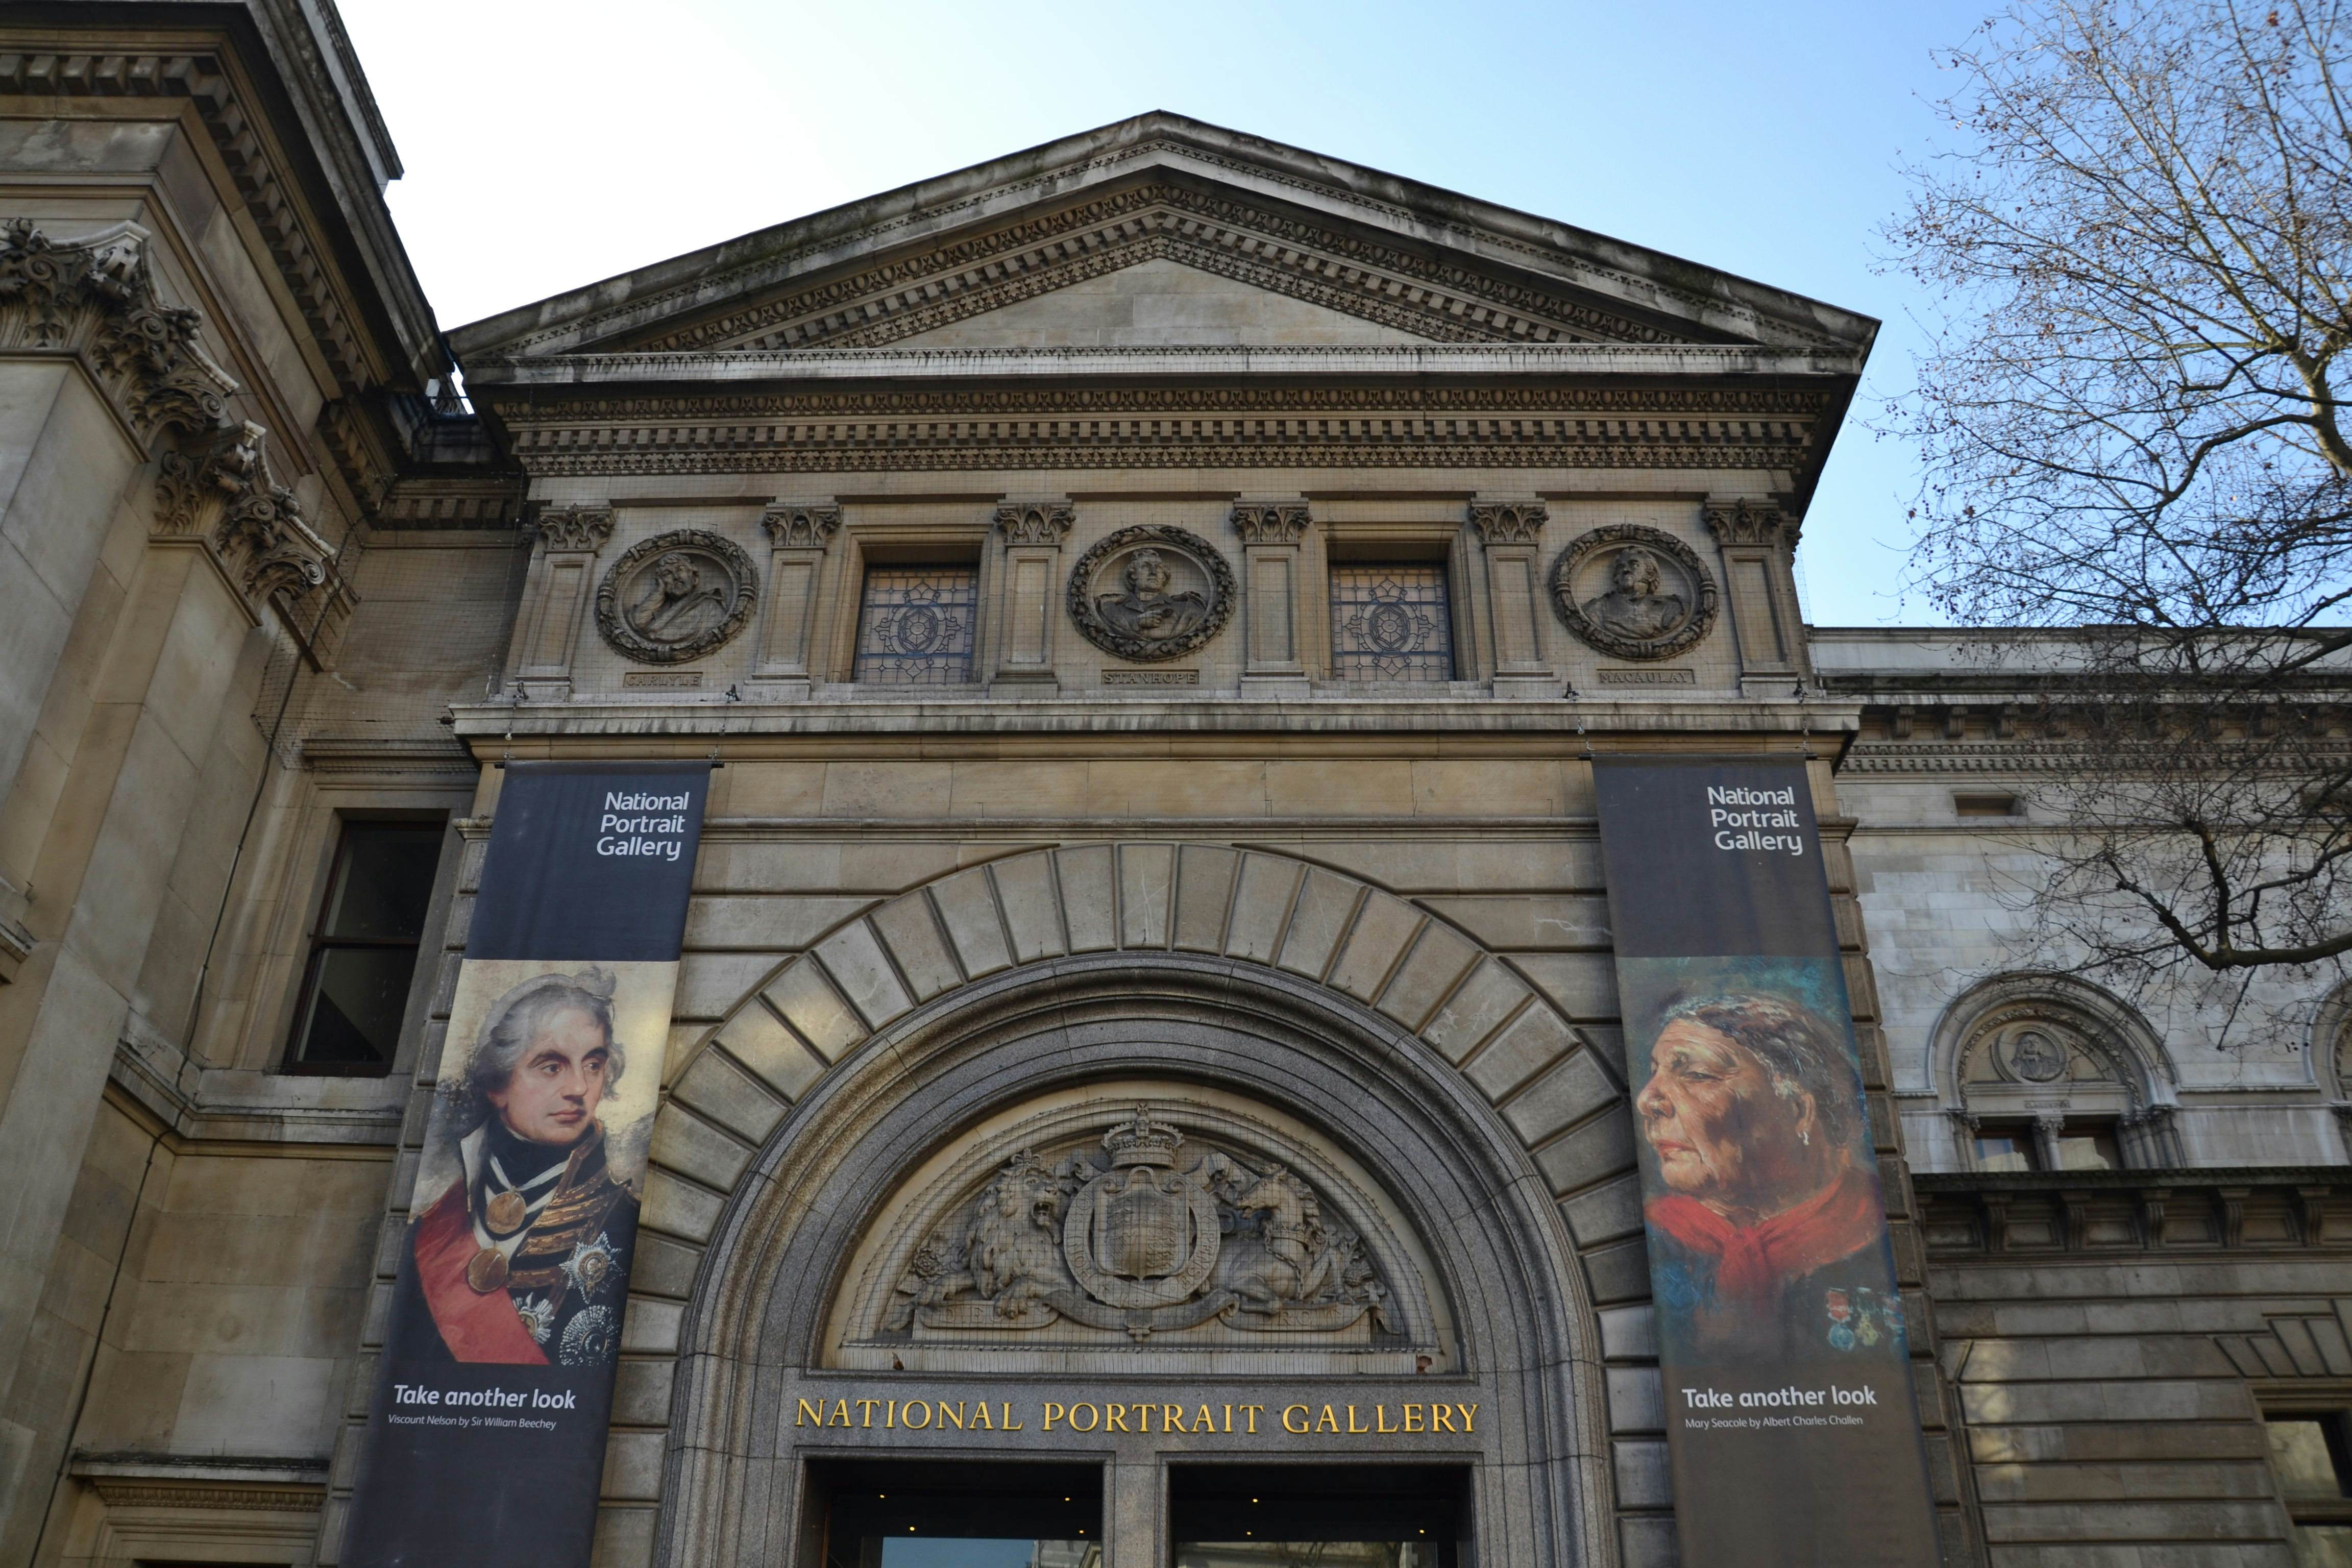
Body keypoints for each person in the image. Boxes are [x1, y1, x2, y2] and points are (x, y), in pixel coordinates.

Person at [1634, 992, 1902, 1359]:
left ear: (1797, 1111)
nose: (1647, 1100)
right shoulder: (1655, 1236)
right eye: (1654, 1074)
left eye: (1696, 1075)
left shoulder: (1877, 1232)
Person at [402, 970, 638, 1366]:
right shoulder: (429, 1232)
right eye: (552, 1066)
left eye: (593, 1065)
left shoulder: (621, 1219)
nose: (579, 1088)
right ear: (498, 1085)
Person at [1095, 548, 1209, 644]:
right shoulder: (1114, 611)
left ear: (1164, 577)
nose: (1153, 572)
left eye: (1159, 568)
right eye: (1145, 567)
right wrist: (1136, 623)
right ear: (1133, 575)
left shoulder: (1186, 609)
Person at [1580, 547, 1687, 641]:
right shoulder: (1596, 608)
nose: (1626, 570)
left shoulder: (1672, 607)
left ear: (1651, 575)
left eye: (1634, 565)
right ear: (1616, 577)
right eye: (1620, 567)